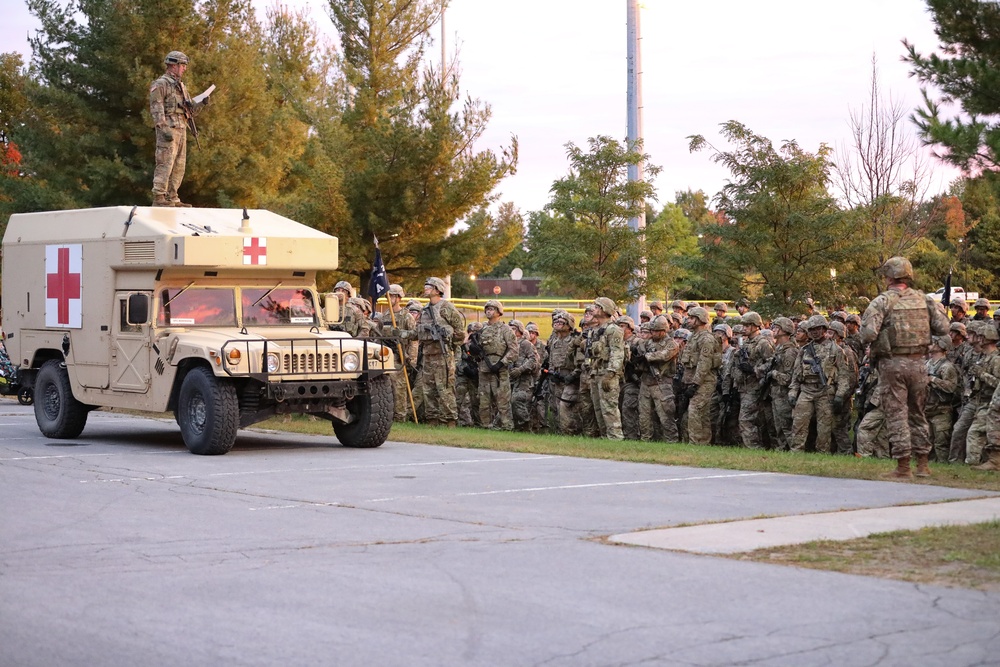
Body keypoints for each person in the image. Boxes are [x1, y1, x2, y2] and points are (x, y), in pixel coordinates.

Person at [860, 256, 950, 478]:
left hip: (893, 364)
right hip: (919, 363)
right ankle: (923, 465)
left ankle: (903, 467)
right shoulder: (924, 300)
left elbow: (868, 333)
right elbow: (943, 328)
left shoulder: (882, 301)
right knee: (918, 413)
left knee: (897, 413)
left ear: (889, 276)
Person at [149, 51, 209, 207]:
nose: (185, 68)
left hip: (181, 127)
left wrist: (201, 103)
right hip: (168, 129)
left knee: (179, 165)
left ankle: (172, 196)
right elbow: (156, 107)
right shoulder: (161, 84)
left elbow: (189, 110)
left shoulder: (181, 86)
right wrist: (163, 128)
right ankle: (159, 197)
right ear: (173, 65)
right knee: (165, 162)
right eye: (182, 65)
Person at [415, 277, 466, 426]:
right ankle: (432, 419)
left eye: (429, 286)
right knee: (428, 390)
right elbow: (416, 332)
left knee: (445, 389)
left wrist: (449, 343)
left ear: (437, 290)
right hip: (428, 355)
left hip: (443, 355)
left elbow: (460, 332)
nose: (425, 288)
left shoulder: (446, 307)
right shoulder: (424, 310)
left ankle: (450, 420)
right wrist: (401, 334)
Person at [680, 306, 721, 445]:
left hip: (704, 381)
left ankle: (696, 442)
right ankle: (703, 442)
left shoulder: (706, 339)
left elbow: (704, 363)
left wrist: (695, 384)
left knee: (695, 410)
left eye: (692, 318)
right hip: (693, 380)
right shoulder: (693, 337)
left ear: (700, 320)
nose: (689, 321)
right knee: (700, 414)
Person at [378, 284, 417, 422]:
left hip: (401, 356)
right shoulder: (384, 316)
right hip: (386, 355)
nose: (389, 298)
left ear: (399, 298)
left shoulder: (406, 316)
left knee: (399, 387)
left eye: (393, 296)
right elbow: (378, 335)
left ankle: (400, 416)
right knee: (386, 385)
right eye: (388, 296)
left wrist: (411, 358)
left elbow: (414, 338)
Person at [588, 297, 626, 440]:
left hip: (607, 374)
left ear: (604, 310)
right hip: (595, 373)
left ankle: (615, 437)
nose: (594, 309)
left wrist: (610, 373)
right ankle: (605, 437)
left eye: (597, 307)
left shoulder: (614, 330)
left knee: (609, 408)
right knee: (598, 408)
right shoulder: (595, 330)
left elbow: (617, 353)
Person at [477, 300, 516, 430]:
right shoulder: (482, 329)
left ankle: (507, 426)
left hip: (500, 370)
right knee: (483, 400)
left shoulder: (505, 330)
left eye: (492, 309)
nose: (489, 311)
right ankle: (485, 425)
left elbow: (514, 350)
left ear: (499, 312)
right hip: (484, 368)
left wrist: (501, 363)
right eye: (487, 309)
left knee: (502, 400)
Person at [639, 315, 678, 442]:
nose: (653, 333)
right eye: (652, 330)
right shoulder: (648, 342)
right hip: (646, 381)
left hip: (662, 383)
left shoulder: (671, 343)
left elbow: (664, 355)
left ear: (663, 330)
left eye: (656, 331)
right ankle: (646, 439)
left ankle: (671, 440)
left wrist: (647, 356)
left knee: (665, 415)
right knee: (644, 415)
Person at [925, 335, 960, 463]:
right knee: (927, 443)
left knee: (941, 444)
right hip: (927, 408)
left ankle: (942, 466)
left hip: (941, 410)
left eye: (933, 342)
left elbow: (951, 387)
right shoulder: (927, 363)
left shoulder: (947, 366)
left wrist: (933, 379)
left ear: (941, 345)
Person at [508, 319, 539, 431]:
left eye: (513, 329)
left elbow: (533, 360)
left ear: (520, 331)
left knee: (516, 400)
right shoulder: (509, 344)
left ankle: (525, 426)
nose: (511, 331)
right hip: (510, 378)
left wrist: (520, 369)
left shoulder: (526, 344)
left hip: (524, 380)